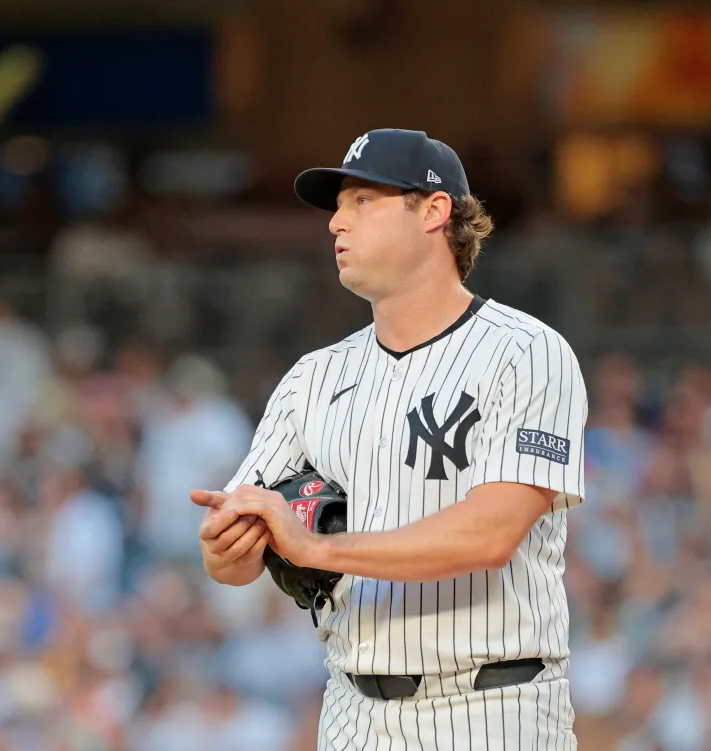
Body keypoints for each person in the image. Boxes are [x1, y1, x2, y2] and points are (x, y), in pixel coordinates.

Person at [191, 129, 587, 750]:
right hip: (353, 710)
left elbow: (490, 535)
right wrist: (229, 546)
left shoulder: (525, 352)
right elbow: (233, 561)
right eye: (337, 207)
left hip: (491, 706)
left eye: (362, 202)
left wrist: (317, 549)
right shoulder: (313, 378)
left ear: (434, 211)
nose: (335, 225)